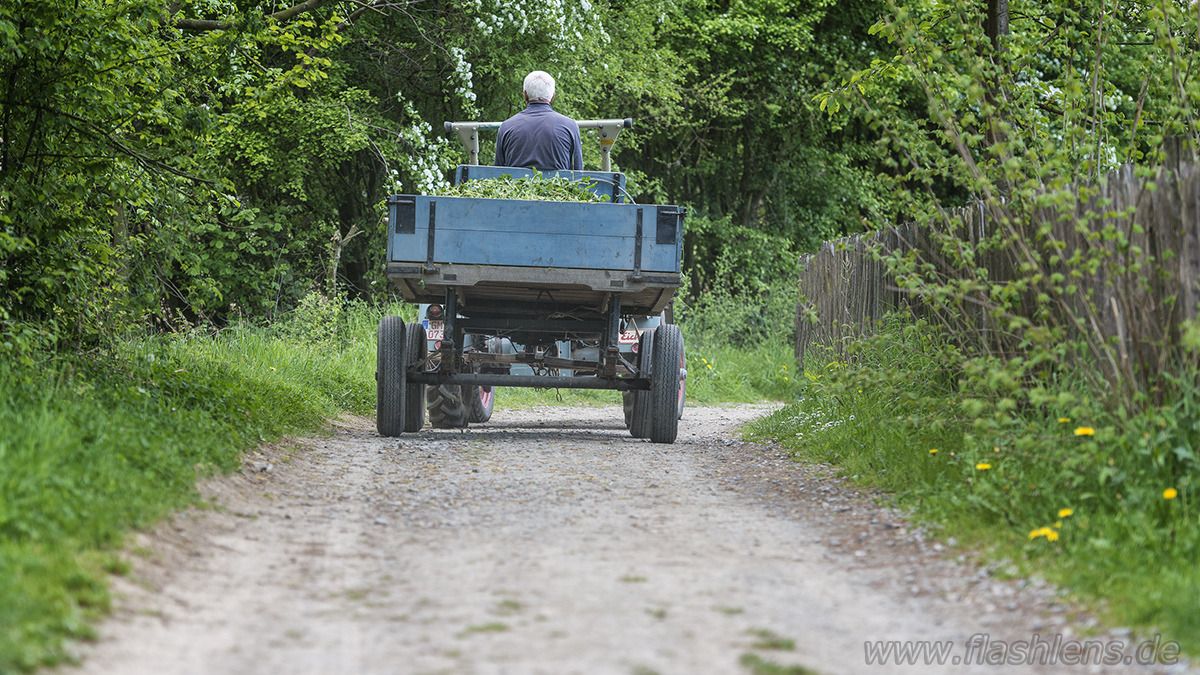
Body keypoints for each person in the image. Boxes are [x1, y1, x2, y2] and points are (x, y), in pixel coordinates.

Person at [494, 71, 583, 172]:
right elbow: (578, 172)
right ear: (553, 96)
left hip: (517, 187)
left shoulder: (506, 127)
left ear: (525, 95)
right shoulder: (570, 126)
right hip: (557, 186)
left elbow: (498, 172)